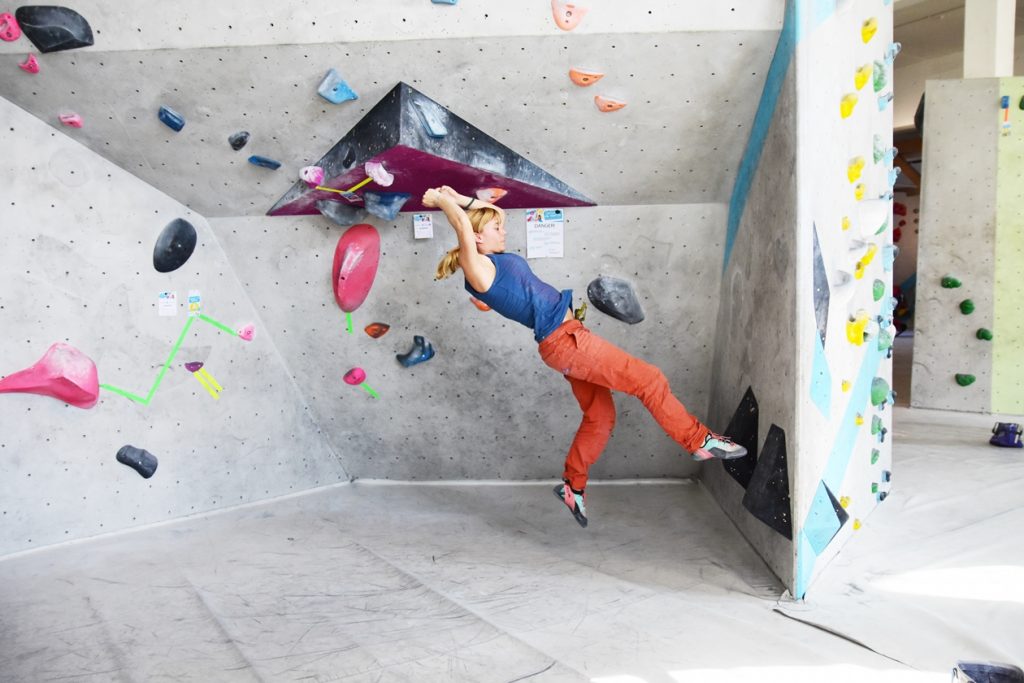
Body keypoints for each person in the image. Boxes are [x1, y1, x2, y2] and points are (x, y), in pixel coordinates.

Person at [424, 186, 747, 528]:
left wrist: (461, 198)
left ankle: (572, 486)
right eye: (494, 230)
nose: (503, 230)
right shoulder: (478, 269)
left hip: (565, 343)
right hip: (566, 342)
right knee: (649, 380)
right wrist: (444, 202)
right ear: (476, 237)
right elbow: (461, 226)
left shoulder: (493, 259)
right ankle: (699, 440)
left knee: (600, 417)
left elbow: (494, 215)